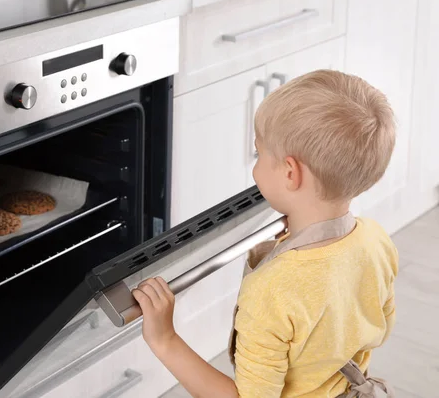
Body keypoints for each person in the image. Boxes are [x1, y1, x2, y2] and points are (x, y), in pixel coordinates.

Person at [132, 69, 398, 398]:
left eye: (259, 154)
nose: (255, 163)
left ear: (290, 173)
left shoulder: (272, 291)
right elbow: (378, 325)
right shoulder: (376, 241)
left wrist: (165, 339)